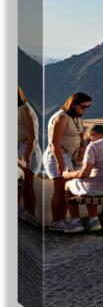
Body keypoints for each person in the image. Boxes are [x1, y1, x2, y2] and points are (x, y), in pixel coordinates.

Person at [44, 92, 89, 231]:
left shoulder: (77, 117)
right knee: (60, 190)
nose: (85, 110)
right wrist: (60, 163)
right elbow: (54, 143)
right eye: (82, 107)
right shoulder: (61, 118)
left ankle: (64, 220)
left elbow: (82, 135)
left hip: (73, 157)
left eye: (88, 107)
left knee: (67, 189)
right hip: (59, 157)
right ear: (73, 104)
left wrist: (83, 149)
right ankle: (56, 222)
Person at [17, 87, 40, 223]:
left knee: (27, 184)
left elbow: (32, 137)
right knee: (24, 184)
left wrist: (27, 156)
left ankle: (30, 214)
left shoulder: (24, 110)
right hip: (23, 149)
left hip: (29, 150)